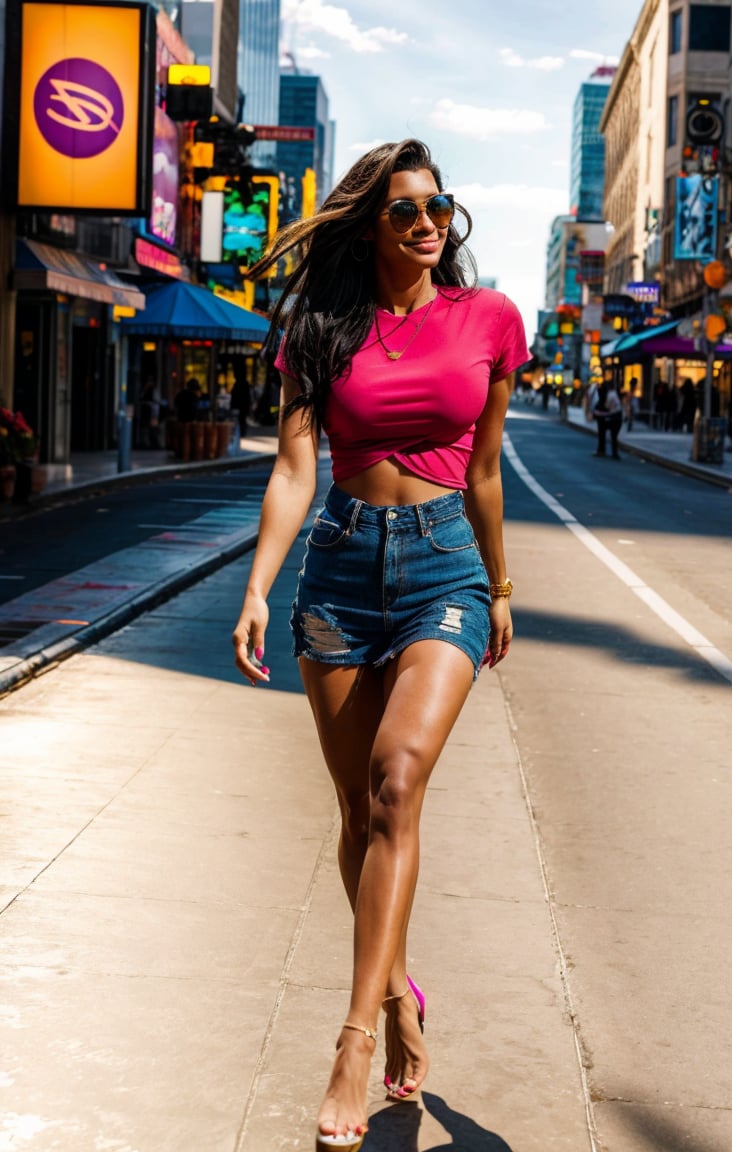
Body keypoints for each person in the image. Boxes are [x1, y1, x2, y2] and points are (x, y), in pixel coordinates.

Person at [231, 138, 528, 1151]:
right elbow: (293, 468)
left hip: (444, 564)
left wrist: (499, 585)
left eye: (439, 204)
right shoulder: (321, 329)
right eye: (405, 209)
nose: (427, 221)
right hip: (340, 573)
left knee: (399, 780)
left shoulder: (488, 321)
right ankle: (399, 995)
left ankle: (353, 1038)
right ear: (373, 225)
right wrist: (259, 587)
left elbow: (485, 470)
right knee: (358, 814)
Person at [593, 381, 622, 458]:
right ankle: (614, 453)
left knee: (602, 434)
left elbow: (607, 406)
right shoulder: (614, 393)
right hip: (616, 416)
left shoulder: (607, 395)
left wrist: (598, 413)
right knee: (614, 436)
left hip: (611, 415)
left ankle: (602, 450)